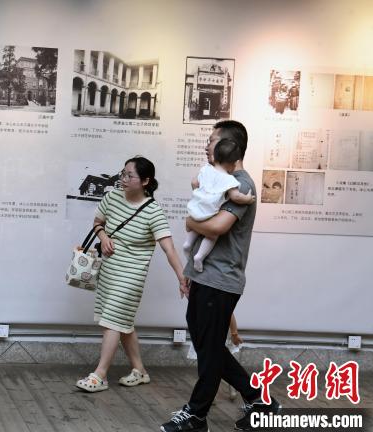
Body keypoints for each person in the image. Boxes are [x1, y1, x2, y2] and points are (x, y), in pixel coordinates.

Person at [161, 120, 280, 432]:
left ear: (230, 146)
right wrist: (189, 273)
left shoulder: (242, 184)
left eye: (212, 140)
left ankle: (196, 415)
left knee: (209, 349)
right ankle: (260, 400)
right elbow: (204, 217)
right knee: (208, 345)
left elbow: (215, 227)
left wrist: (190, 221)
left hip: (221, 279)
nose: (206, 145)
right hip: (206, 277)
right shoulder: (219, 178)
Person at [76, 156, 188, 393]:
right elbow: (98, 222)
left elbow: (169, 248)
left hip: (131, 277)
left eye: (130, 175)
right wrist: (104, 237)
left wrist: (181, 277)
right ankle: (140, 371)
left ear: (145, 181)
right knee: (123, 322)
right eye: (123, 173)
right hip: (109, 271)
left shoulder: (153, 211)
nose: (123, 179)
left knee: (112, 320)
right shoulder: (112, 197)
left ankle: (100, 375)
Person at [182, 138, 255, 272]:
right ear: (234, 163)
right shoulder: (229, 180)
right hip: (209, 212)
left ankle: (187, 244)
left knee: (197, 224)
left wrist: (201, 195)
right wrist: (248, 199)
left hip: (196, 207)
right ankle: (199, 256)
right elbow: (236, 197)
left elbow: (194, 183)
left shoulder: (206, 169)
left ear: (215, 156)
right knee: (212, 236)